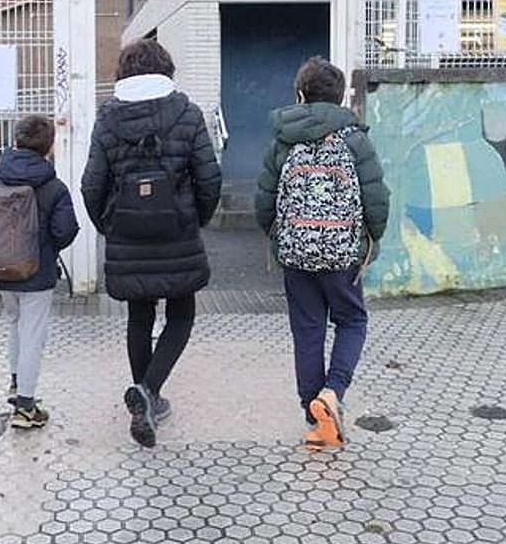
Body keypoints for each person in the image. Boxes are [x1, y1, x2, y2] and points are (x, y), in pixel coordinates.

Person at [80, 39, 222, 448]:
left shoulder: (108, 118)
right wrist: (196, 218)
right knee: (181, 313)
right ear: (166, 70)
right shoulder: (187, 112)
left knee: (139, 316)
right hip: (177, 231)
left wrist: (110, 225)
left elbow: (92, 184)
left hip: (129, 233)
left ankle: (146, 396)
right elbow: (209, 178)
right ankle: (149, 392)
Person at [253, 57, 389, 450]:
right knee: (352, 321)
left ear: (299, 94)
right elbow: (376, 196)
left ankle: (315, 419)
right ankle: (333, 392)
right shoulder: (354, 139)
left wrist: (279, 236)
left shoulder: (283, 139)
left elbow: (264, 200)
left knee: (308, 331)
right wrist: (369, 242)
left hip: (296, 253)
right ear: (340, 95)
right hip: (343, 253)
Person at [0, 115, 79, 429]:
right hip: (37, 273)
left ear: (16, 141)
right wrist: (47, 248)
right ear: (49, 146)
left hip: (0, 270)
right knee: (32, 335)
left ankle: (15, 382)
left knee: (14, 324)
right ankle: (25, 406)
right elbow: (65, 230)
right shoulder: (53, 187)